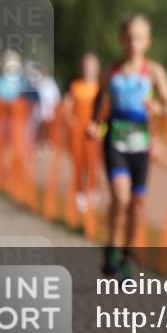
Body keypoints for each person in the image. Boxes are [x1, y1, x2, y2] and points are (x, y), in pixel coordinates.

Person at [88, 15, 167, 280]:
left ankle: (127, 254)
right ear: (121, 39)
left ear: (147, 42)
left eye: (138, 38)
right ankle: (113, 249)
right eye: (128, 37)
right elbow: (98, 99)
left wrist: (159, 107)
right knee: (120, 197)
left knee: (136, 204)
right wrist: (93, 123)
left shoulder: (154, 72)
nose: (133, 43)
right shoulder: (110, 72)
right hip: (115, 141)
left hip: (141, 144)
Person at [64, 52, 101, 215]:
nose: (88, 69)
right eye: (86, 65)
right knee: (79, 164)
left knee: (93, 163)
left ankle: (93, 192)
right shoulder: (75, 86)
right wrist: (71, 120)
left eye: (91, 65)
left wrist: (100, 127)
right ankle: (79, 193)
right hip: (77, 133)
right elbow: (67, 106)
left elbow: (104, 111)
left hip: (93, 133)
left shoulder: (100, 88)